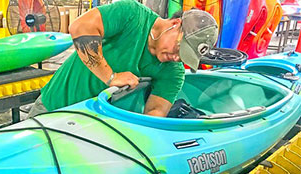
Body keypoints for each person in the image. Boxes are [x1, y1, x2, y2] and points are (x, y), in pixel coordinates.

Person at [28, 0, 218, 118]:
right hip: (54, 107)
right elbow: (80, 27)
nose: (176, 57)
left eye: (183, 57)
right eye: (179, 48)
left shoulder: (173, 71)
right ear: (175, 24)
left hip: (93, 128)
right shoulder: (132, 16)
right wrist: (111, 77)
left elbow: (155, 112)